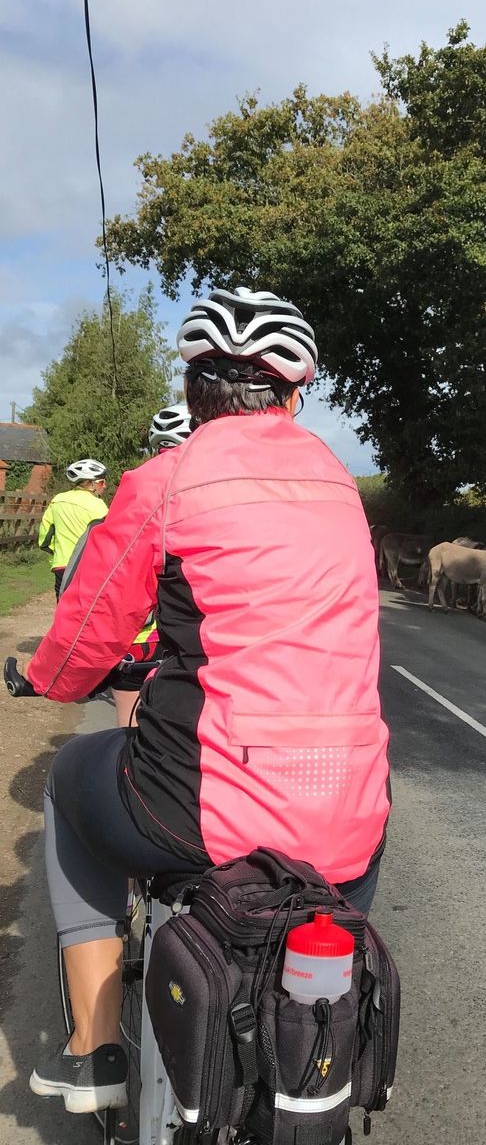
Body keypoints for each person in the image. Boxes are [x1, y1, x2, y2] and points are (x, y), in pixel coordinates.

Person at [24, 288, 391, 1114]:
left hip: (193, 808)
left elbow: (90, 629)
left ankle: (94, 1049)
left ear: (194, 395)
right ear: (292, 397)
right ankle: (319, 1034)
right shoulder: (341, 484)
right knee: (344, 880)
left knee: (70, 777)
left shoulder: (168, 476)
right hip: (347, 814)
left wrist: (48, 683)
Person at [108, 403, 193, 727]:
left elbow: (115, 577)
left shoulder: (139, 487)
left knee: (128, 725)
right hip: (203, 641)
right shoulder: (228, 490)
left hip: (144, 638)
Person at [38, 460, 108, 599]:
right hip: (89, 568)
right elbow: (107, 539)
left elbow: (44, 539)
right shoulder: (99, 506)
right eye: (101, 482)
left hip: (62, 566)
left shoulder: (57, 500)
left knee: (63, 608)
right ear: (90, 483)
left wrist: (58, 552)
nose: (104, 486)